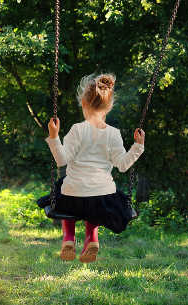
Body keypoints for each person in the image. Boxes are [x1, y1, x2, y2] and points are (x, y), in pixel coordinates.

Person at [41, 74, 145, 263]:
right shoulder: (114, 134)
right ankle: (92, 238)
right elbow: (122, 166)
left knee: (64, 189)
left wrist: (54, 136)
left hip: (73, 196)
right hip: (102, 198)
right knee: (95, 202)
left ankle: (68, 238)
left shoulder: (76, 130)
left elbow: (62, 160)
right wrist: (137, 146)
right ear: (109, 105)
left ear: (83, 102)